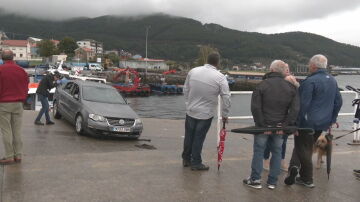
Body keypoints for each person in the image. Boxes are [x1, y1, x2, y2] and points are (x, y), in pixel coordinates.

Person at [285, 54, 343, 188]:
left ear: (313, 66)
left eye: (309, 64)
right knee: (305, 147)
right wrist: (332, 119)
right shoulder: (332, 80)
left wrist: (296, 123)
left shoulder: (310, 81)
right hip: (322, 122)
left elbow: (303, 105)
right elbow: (338, 102)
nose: (308, 66)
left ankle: (307, 178)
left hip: (307, 122)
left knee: (303, 147)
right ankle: (294, 169)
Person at [243, 60, 299, 190]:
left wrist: (262, 124)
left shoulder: (262, 85)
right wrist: (285, 125)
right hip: (280, 126)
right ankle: (272, 182)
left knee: (259, 151)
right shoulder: (291, 87)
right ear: (283, 71)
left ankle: (255, 179)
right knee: (277, 151)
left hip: (264, 126)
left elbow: (255, 107)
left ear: (271, 69)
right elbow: (295, 109)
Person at [182, 52, 231, 171]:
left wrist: (188, 104)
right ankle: (196, 163)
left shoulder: (193, 71)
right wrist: (225, 115)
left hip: (191, 111)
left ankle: (186, 159)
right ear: (218, 63)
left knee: (189, 136)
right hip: (205, 114)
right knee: (199, 137)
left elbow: (185, 89)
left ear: (207, 60)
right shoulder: (220, 77)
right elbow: (226, 97)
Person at [263, 65, 299, 171]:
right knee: (269, 140)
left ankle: (281, 161)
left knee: (283, 141)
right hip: (273, 117)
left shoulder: (291, 81)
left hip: (286, 118)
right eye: (285, 69)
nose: (287, 70)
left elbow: (296, 100)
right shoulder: (272, 81)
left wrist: (295, 84)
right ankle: (266, 160)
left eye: (288, 69)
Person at [0, 50, 29, 165]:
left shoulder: (1, 70)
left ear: (2, 58)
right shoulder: (22, 71)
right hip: (18, 104)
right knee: (17, 131)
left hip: (4, 103)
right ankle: (18, 155)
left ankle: (9, 156)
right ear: (13, 58)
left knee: (6, 130)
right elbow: (26, 86)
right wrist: (23, 98)